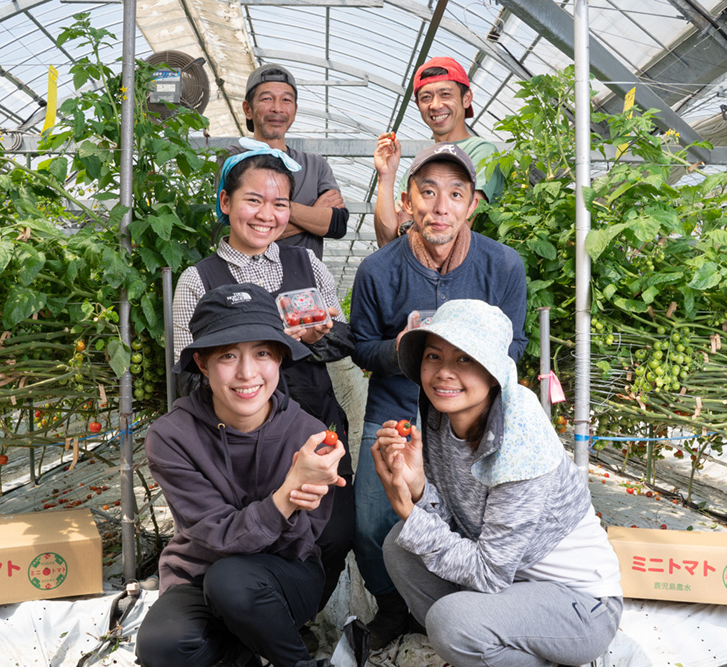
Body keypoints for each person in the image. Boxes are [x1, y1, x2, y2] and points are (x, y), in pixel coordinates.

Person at [372, 299, 623, 666]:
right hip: (511, 585)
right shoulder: (440, 417)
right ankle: (481, 651)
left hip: (580, 606)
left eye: (464, 359)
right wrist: (420, 488)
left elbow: (488, 573)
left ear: (493, 371)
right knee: (400, 547)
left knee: (451, 621)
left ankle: (483, 646)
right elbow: (457, 522)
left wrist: (409, 510)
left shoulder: (521, 444)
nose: (443, 373)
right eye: (433, 357)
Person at [349, 142, 527, 648]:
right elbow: (362, 346)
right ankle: (390, 607)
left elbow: (514, 344)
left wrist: (462, 354)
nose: (439, 206)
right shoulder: (378, 271)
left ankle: (457, 606)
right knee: (371, 523)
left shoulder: (502, 266)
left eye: (455, 193)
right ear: (407, 201)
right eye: (427, 192)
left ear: (472, 204)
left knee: (474, 520)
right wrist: (401, 349)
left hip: (472, 418)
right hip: (396, 411)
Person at [172, 143, 355, 612]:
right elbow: (187, 370)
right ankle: (255, 621)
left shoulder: (305, 265)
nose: (266, 215)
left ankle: (296, 616)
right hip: (238, 442)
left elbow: (341, 339)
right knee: (256, 532)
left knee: (334, 534)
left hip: (313, 421)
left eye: (279, 204)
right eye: (253, 200)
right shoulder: (199, 279)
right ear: (226, 202)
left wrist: (319, 335)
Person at [136, 282, 346, 667]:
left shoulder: (308, 433)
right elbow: (214, 535)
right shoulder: (172, 436)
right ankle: (247, 648)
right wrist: (287, 495)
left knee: (233, 582)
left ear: (280, 358)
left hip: (284, 575)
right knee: (162, 648)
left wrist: (306, 490)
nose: (247, 373)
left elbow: (303, 540)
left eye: (262, 353)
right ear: (202, 363)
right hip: (200, 571)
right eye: (228, 356)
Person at [373, 56, 506, 247]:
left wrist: (405, 225)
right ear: (418, 105)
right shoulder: (422, 162)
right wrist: (385, 176)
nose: (435, 105)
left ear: (466, 98)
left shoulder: (482, 152)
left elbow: (453, 233)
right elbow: (386, 242)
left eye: (445, 94)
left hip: (467, 273)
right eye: (426, 97)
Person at [240, 63, 349, 259]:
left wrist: (265, 219)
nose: (277, 108)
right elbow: (237, 228)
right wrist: (313, 214)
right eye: (266, 98)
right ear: (248, 109)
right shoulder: (235, 160)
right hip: (248, 282)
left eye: (286, 100)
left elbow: (337, 225)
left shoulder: (315, 165)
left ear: (295, 110)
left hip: (305, 283)